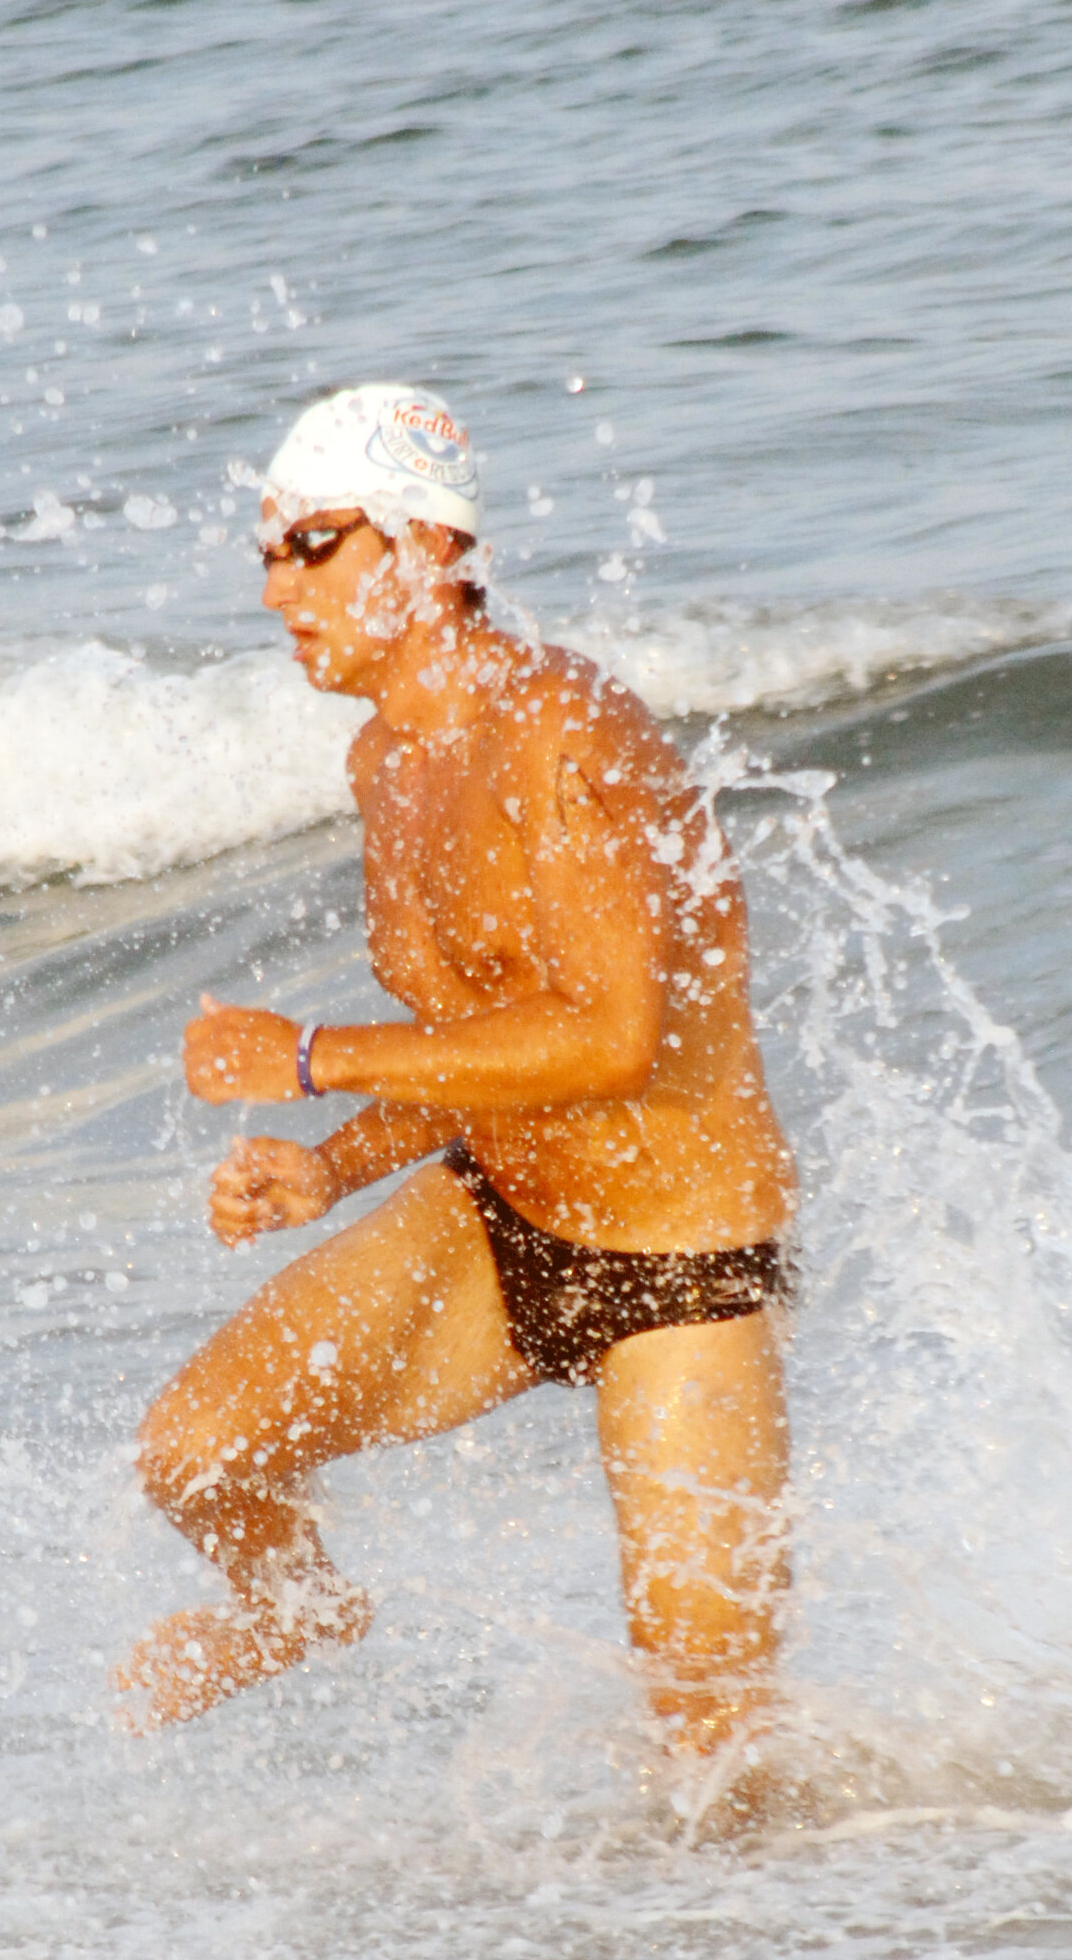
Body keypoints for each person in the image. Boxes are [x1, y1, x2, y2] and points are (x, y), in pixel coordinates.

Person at [117, 381, 799, 1814]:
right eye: (264, 552)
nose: (276, 585)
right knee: (195, 1454)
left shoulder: (560, 723)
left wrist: (313, 1053)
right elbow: (479, 1041)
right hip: (503, 1218)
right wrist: (333, 1164)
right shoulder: (387, 757)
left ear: (423, 546)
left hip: (679, 1268)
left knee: (716, 1771)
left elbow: (612, 1037)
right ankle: (297, 1611)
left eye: (312, 542)